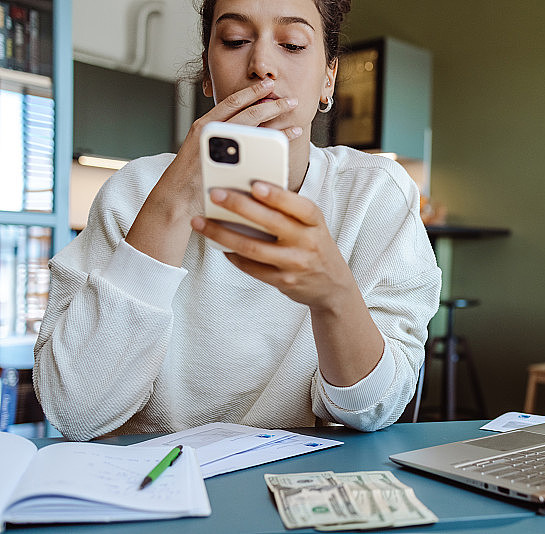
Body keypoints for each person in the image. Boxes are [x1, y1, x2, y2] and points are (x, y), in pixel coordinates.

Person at [33, 0, 441, 441]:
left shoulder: (375, 193)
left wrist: (334, 295)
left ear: (329, 77)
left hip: (295, 474)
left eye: (292, 44)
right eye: (235, 41)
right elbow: (74, 410)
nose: (261, 65)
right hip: (157, 473)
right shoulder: (134, 190)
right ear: (207, 75)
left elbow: (375, 409)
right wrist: (171, 206)